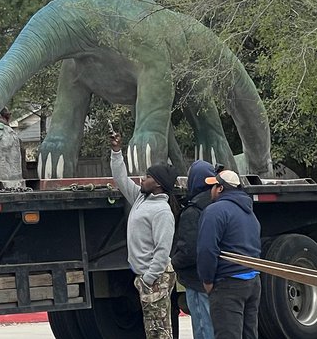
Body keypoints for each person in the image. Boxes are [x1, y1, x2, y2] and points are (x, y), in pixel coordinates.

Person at [110, 129, 178, 339]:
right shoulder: (142, 198)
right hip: (147, 276)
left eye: (148, 177)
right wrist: (116, 152)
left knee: (159, 331)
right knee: (152, 329)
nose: (142, 179)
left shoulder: (162, 211)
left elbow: (162, 250)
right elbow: (121, 179)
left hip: (155, 277)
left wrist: (147, 279)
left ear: (158, 183)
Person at [197, 169, 261, 339]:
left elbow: (206, 250)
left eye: (213, 186)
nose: (210, 190)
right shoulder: (249, 212)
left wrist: (207, 281)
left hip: (228, 283)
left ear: (220, 188)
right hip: (253, 281)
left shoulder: (214, 211)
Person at [172, 160, 218, 339]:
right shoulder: (219, 206)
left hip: (197, 279)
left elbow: (189, 251)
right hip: (217, 276)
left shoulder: (193, 211)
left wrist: (173, 263)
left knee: (203, 325)